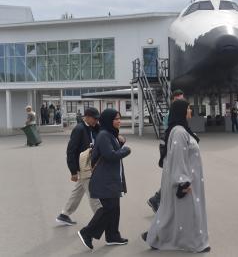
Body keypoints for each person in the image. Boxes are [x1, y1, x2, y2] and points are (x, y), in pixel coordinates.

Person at [141, 99, 210, 253]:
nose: (190, 111)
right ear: (182, 112)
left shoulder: (182, 130)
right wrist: (182, 183)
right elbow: (178, 158)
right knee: (186, 212)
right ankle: (194, 243)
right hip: (185, 180)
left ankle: (156, 237)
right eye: (189, 109)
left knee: (174, 212)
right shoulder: (179, 132)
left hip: (190, 178)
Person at [78, 109, 131, 250]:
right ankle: (87, 232)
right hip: (104, 180)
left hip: (111, 179)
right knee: (108, 209)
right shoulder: (103, 135)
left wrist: (121, 143)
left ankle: (113, 236)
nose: (119, 121)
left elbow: (110, 151)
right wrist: (126, 150)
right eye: (116, 119)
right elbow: (110, 155)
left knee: (114, 209)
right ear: (108, 120)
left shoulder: (110, 134)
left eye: (119, 118)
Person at [56, 107, 102, 226]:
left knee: (79, 190)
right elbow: (71, 150)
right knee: (94, 192)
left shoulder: (94, 127)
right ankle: (101, 217)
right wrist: (73, 171)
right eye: (94, 118)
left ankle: (64, 215)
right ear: (86, 117)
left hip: (92, 165)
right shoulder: (79, 129)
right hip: (83, 166)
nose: (96, 121)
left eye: (97, 119)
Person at [147, 89, 184, 213]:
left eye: (182, 99)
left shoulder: (177, 112)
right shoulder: (171, 114)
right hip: (170, 147)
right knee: (173, 177)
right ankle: (158, 199)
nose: (181, 102)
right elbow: (171, 132)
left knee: (172, 177)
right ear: (173, 100)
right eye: (178, 99)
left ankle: (157, 199)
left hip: (173, 147)